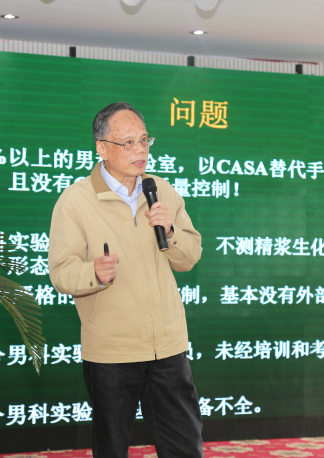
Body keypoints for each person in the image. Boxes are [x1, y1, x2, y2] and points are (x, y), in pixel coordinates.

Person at [48, 102, 204, 457]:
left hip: (167, 346)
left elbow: (190, 256)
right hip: (112, 350)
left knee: (184, 446)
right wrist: (92, 273)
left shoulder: (161, 190)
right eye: (128, 142)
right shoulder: (76, 201)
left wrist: (171, 232)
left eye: (145, 141)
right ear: (102, 148)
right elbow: (60, 271)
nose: (140, 151)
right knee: (112, 448)